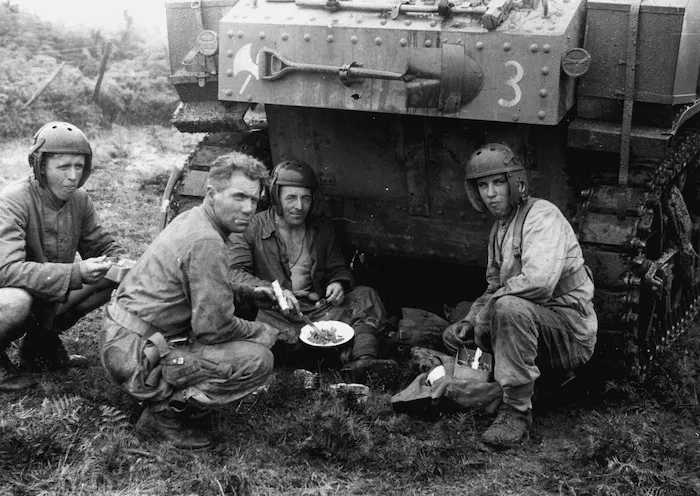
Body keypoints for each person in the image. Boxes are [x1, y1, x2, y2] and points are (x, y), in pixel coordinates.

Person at [99, 151, 290, 450]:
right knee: (258, 360)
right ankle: (164, 416)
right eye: (239, 197)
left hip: (124, 338)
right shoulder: (207, 241)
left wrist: (249, 292)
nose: (248, 208)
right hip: (134, 353)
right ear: (212, 194)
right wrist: (266, 333)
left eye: (253, 200)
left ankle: (165, 390)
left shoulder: (194, 219)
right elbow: (213, 329)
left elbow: (200, 285)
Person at [442, 143, 597, 448]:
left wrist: (489, 311)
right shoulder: (499, 230)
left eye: (498, 182)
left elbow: (539, 283)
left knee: (509, 309)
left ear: (516, 183)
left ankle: (515, 413)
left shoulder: (542, 216)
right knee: (461, 325)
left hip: (570, 331)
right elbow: (492, 288)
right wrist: (471, 321)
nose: (491, 193)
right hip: (538, 326)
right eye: (483, 185)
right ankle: (543, 383)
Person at [228, 160, 400, 383]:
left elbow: (338, 267)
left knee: (365, 295)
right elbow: (234, 273)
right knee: (260, 326)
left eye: (305, 198)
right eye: (291, 198)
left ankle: (363, 360)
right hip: (274, 311)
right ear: (275, 197)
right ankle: (338, 355)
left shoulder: (321, 227)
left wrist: (338, 283)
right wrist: (273, 292)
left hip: (317, 310)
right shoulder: (251, 226)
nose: (299, 206)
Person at [0, 121, 122, 392]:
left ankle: (39, 345)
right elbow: (5, 270)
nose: (73, 176)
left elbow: (103, 247)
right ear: (40, 166)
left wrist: (125, 263)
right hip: (8, 293)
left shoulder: (79, 199)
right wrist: (75, 273)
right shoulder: (12, 200)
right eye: (63, 167)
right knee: (15, 302)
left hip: (43, 291)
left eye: (79, 166)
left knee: (109, 276)